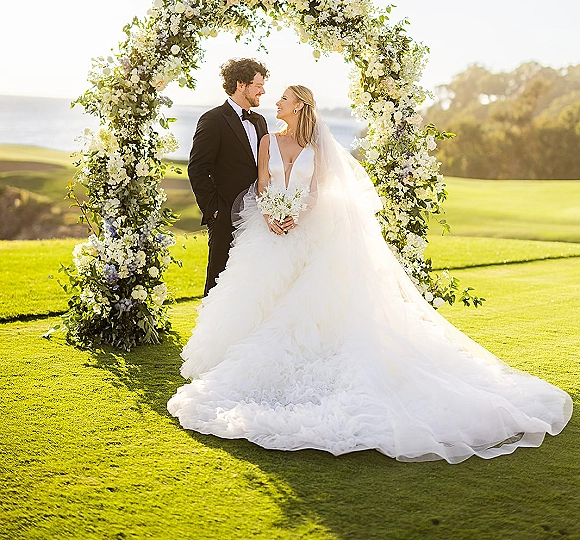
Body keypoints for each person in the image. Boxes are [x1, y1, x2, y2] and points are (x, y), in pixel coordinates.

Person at [169, 85, 572, 463]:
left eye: (285, 98)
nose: (277, 101)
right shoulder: (266, 139)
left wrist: (297, 215)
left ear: (300, 106)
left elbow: (317, 190)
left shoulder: (316, 147)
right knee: (258, 296)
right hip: (268, 230)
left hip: (305, 230)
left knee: (309, 304)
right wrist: (273, 215)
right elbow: (260, 182)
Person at [187, 58, 269, 296]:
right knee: (218, 283)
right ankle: (211, 333)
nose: (263, 90)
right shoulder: (213, 120)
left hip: (256, 218)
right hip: (224, 218)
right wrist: (214, 211)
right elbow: (198, 169)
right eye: (258, 85)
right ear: (241, 84)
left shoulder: (259, 121)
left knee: (252, 282)